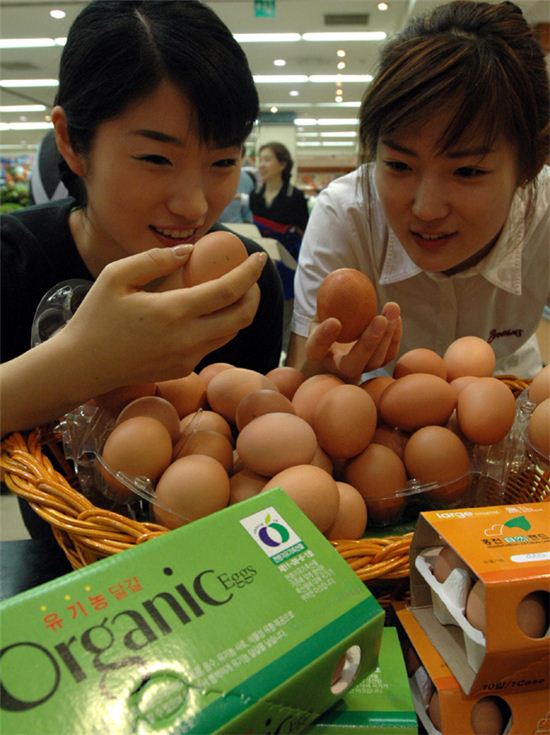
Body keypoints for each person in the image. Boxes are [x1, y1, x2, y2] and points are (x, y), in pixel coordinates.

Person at [1, 0, 284, 532]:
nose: (194, 206)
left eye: (223, 162)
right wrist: (82, 362)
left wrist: (325, 383)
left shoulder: (243, 281)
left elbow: (257, 457)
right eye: (156, 159)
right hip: (62, 565)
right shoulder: (12, 261)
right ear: (71, 142)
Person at [287, 0, 549, 383]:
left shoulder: (544, 215)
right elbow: (301, 372)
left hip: (511, 385)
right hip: (375, 399)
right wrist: (323, 370)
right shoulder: (346, 215)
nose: (426, 210)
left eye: (467, 171)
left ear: (530, 165)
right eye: (399, 166)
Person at [250, 142, 309, 353]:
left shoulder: (295, 197)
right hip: (261, 263)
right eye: (260, 160)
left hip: (288, 266)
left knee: (284, 317)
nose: (261, 165)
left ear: (282, 164)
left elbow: (306, 233)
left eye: (267, 159)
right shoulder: (255, 196)